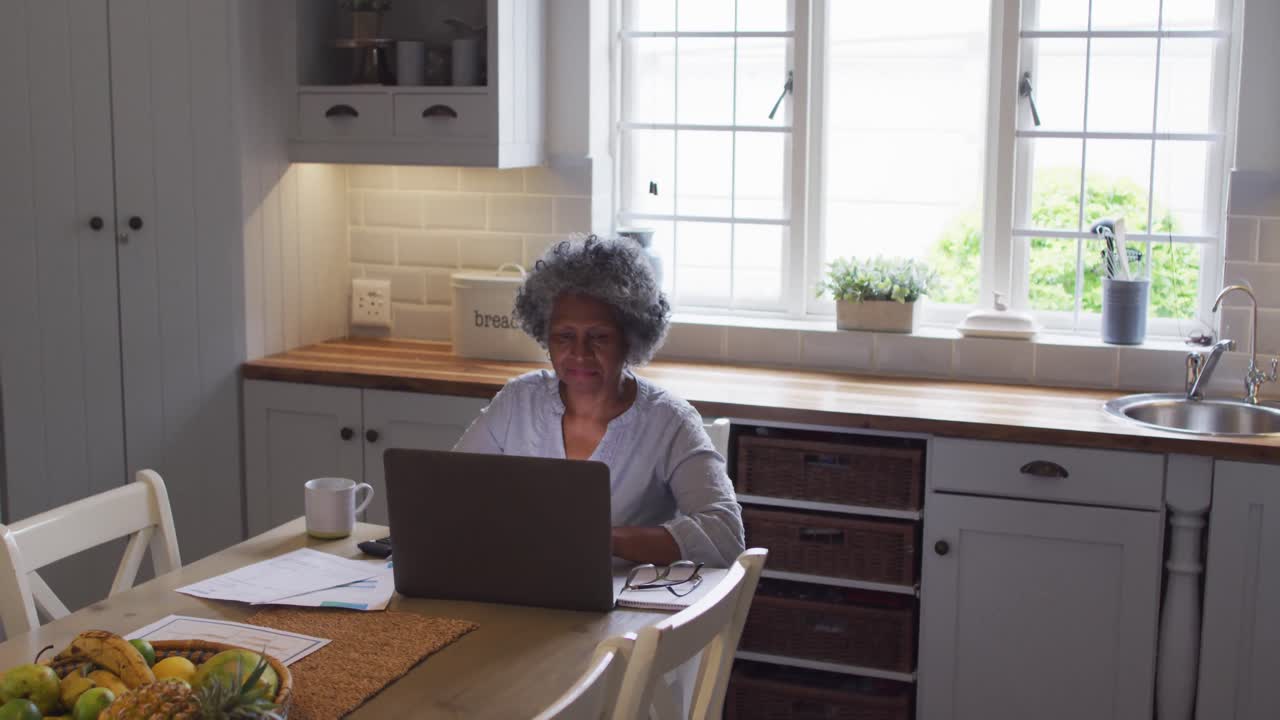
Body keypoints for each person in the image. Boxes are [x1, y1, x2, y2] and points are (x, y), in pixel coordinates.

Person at [453, 235, 745, 567]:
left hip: (623, 607)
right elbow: (451, 491)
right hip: (521, 588)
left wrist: (600, 538)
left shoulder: (669, 420)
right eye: (564, 336)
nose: (579, 353)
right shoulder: (518, 401)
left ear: (631, 338)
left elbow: (725, 536)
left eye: (599, 337)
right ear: (545, 336)